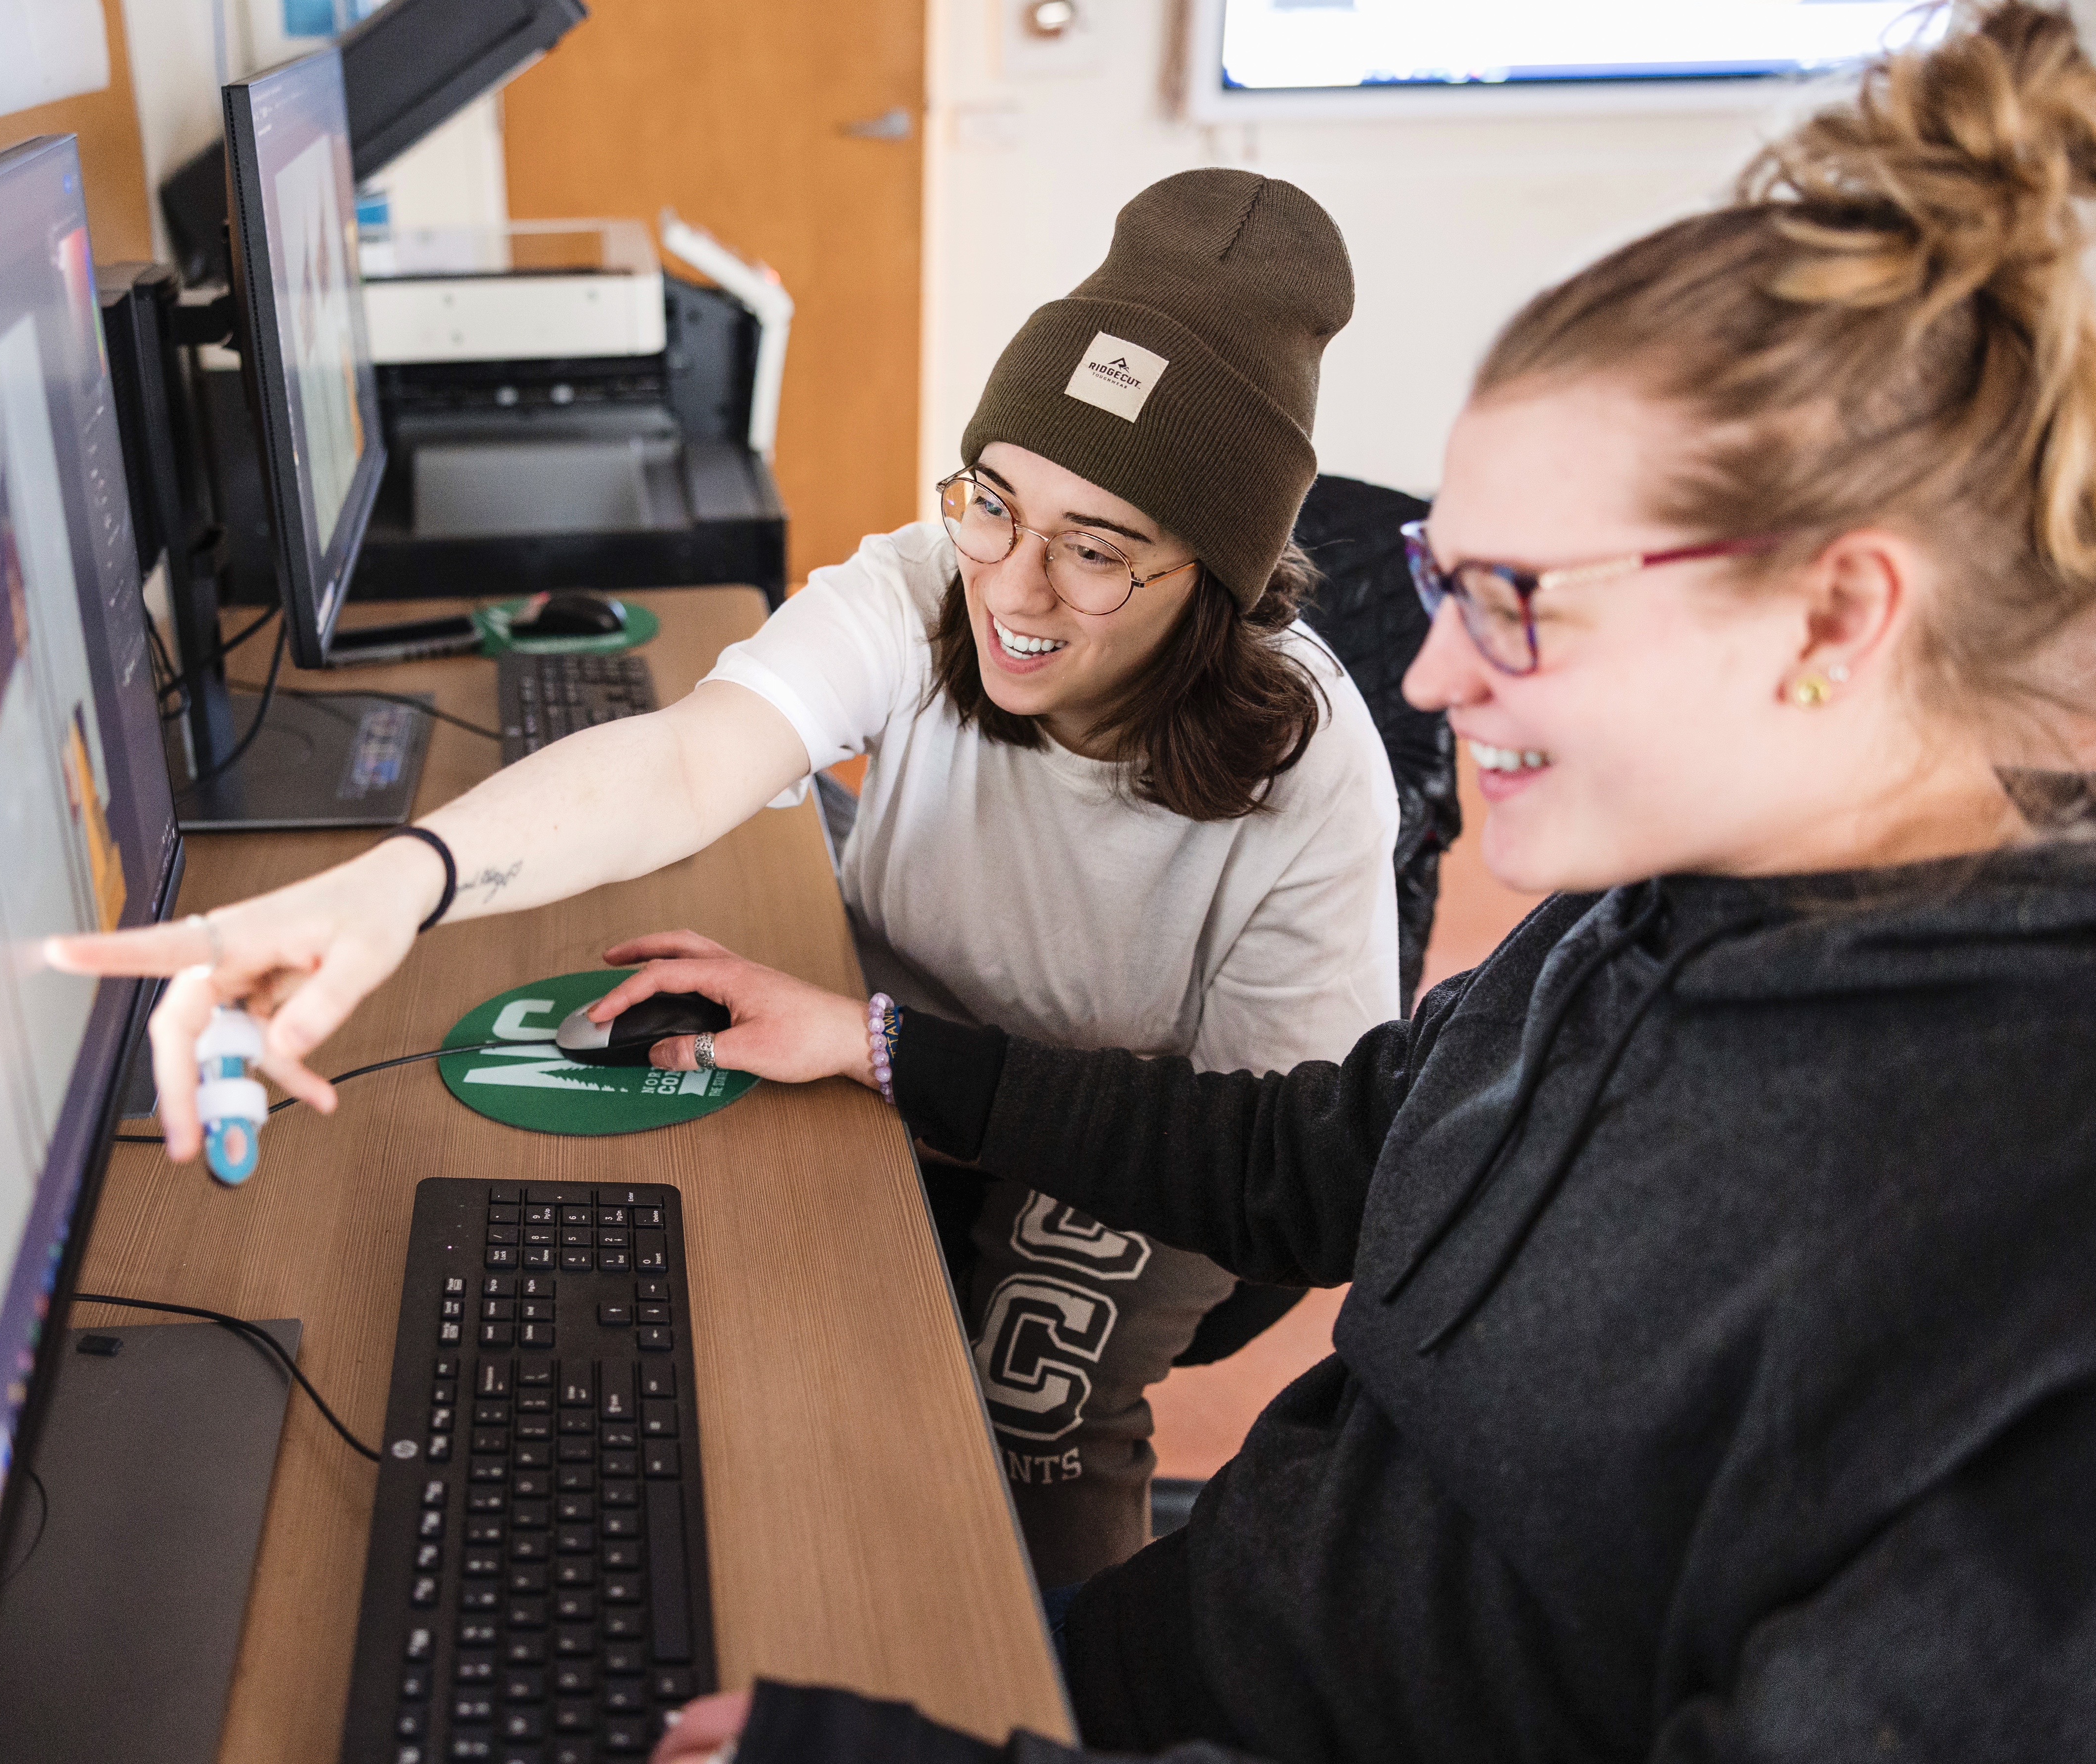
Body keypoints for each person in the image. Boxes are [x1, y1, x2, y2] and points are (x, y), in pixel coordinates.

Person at [614, 5, 2096, 1758]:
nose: (1431, 686)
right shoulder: (1656, 921)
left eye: (1520, 602)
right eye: (1440, 581)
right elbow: (1311, 1161)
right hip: (1167, 1656)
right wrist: (879, 1049)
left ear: (1838, 619)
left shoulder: (2019, 1270)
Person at [51, 172, 1402, 1584]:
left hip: (1138, 1136)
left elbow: (1279, 1156)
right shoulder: (927, 583)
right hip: (891, 1063)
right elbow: (688, 765)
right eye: (996, 504)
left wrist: (885, 1048)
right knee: (747, 1299)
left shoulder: (1306, 768)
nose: (1013, 587)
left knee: (1034, 1391)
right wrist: (405, 883)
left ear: (1221, 578)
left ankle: (1057, 1696)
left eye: (1099, 550)